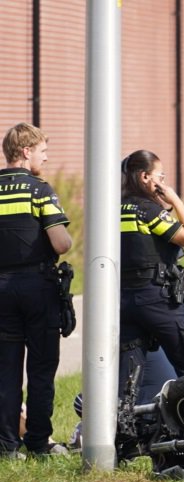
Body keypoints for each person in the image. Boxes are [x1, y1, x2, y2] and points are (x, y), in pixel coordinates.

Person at [0, 123, 73, 458]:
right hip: (36, 288)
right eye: (43, 151)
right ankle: (39, 442)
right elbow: (61, 243)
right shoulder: (39, 190)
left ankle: (6, 445)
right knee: (41, 369)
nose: (46, 157)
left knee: (6, 369)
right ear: (26, 151)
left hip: (2, 290)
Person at [118, 150, 184, 397]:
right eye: (161, 176)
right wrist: (177, 202)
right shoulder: (148, 211)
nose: (164, 182)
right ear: (145, 177)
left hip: (124, 301)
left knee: (128, 381)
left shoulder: (113, 210)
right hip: (157, 299)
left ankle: (124, 421)